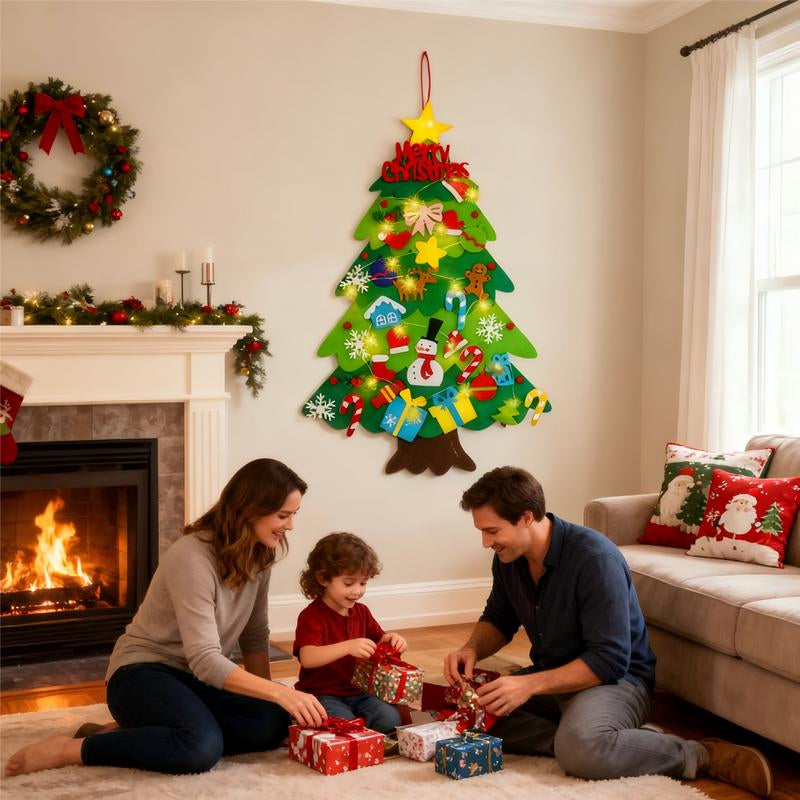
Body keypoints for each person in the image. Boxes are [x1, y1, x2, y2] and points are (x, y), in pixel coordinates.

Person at [444, 466, 773, 798]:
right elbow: (499, 618)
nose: (486, 542)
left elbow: (609, 661)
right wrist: (470, 649)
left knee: (580, 750)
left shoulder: (594, 559)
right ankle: (609, 739)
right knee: (473, 715)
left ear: (526, 517)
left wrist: (527, 685)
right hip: (553, 678)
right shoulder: (508, 559)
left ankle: (698, 755)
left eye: (492, 531)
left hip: (616, 681)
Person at [5, 458, 327, 777]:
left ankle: (141, 733)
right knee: (200, 748)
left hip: (198, 681)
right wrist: (281, 693)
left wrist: (270, 702)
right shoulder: (192, 556)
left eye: (293, 515)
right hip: (142, 673)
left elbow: (254, 633)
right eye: (283, 515)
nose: (290, 526)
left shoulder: (260, 553)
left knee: (275, 721)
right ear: (249, 509)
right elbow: (204, 659)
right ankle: (72, 749)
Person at [293, 532, 406, 734]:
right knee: (341, 725)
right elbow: (307, 657)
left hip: (360, 691)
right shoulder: (311, 616)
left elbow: (380, 641)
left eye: (363, 583)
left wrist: (392, 639)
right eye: (348, 583)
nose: (357, 591)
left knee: (390, 719)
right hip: (322, 693)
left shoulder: (361, 612)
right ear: (322, 578)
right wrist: (347, 647)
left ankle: (362, 724)